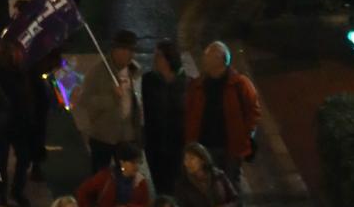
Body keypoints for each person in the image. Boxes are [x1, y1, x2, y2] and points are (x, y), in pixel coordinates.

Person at [183, 42, 259, 185]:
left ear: (221, 59)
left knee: (230, 184)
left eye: (208, 56)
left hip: (230, 147)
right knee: (207, 184)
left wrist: (245, 136)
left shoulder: (240, 84)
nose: (204, 59)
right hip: (204, 146)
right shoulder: (198, 85)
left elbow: (253, 111)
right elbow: (189, 112)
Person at [72, 28, 143, 172]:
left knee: (125, 177)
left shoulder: (134, 70)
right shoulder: (98, 72)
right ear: (117, 50)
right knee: (101, 176)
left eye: (132, 50)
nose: (131, 55)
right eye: (127, 50)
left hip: (126, 136)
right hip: (103, 137)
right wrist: (111, 98)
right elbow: (85, 100)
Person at [142, 39, 187, 196]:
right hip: (155, 141)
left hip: (177, 142)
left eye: (159, 56)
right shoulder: (149, 80)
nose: (155, 59)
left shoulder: (185, 83)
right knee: (160, 184)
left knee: (176, 182)